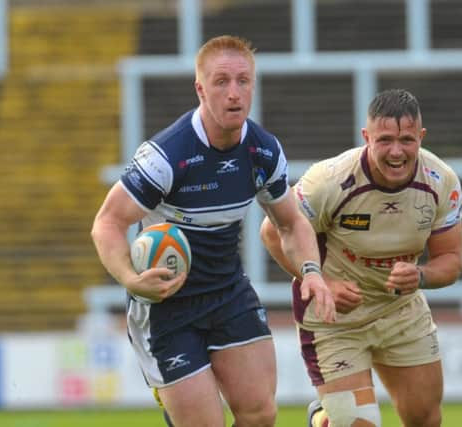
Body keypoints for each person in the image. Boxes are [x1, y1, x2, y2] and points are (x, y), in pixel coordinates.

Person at [91, 35, 336, 427]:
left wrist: (311, 271)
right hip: (166, 306)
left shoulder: (263, 151)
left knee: (260, 414)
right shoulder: (166, 156)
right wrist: (131, 279)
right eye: (221, 82)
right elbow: (107, 222)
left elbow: (291, 222)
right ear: (200, 89)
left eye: (243, 81)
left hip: (227, 293)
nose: (234, 93)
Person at [260, 88, 462, 427]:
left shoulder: (441, 181)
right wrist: (322, 283)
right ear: (366, 137)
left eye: (406, 140)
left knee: (425, 419)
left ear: (421, 137)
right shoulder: (329, 180)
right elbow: (272, 231)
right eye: (384, 140)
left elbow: (452, 260)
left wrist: (421, 276)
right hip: (334, 321)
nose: (396, 151)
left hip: (401, 313)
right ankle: (328, 418)